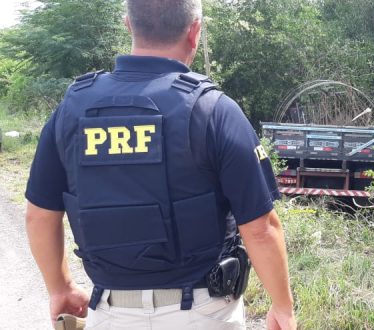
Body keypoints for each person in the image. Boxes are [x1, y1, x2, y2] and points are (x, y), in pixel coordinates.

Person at [24, 0, 296, 329]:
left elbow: (39, 216)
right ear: (195, 31)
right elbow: (261, 229)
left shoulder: (72, 108)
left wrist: (60, 288)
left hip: (110, 314)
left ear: (129, 25)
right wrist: (283, 307)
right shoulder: (214, 110)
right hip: (205, 315)